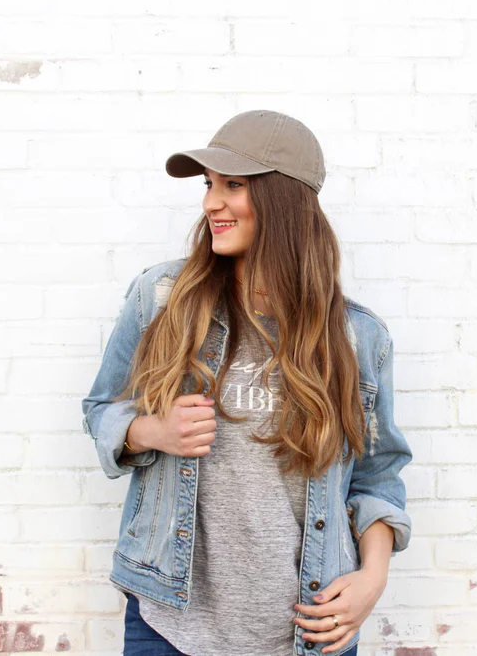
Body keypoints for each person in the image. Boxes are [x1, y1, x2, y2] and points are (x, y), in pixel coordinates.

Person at [82, 109, 412, 656]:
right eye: (210, 185)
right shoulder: (161, 300)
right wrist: (150, 431)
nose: (212, 201)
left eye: (233, 185)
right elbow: (101, 408)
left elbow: (377, 477)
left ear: (283, 201)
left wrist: (371, 580)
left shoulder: (356, 338)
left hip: (310, 626)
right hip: (170, 618)